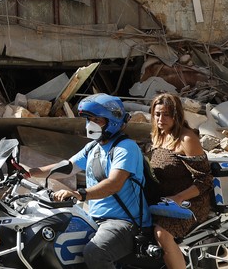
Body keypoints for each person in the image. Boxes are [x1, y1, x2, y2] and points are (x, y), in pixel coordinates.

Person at [27, 93, 151, 268]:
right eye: (88, 119)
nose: (90, 124)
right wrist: (29, 173)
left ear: (112, 122)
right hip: (93, 217)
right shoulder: (93, 147)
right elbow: (68, 167)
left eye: (96, 120)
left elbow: (114, 184)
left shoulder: (126, 148)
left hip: (123, 222)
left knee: (95, 252)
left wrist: (79, 194)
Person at [148, 93, 213, 269]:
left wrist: (179, 198)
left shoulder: (187, 138)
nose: (161, 119)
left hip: (190, 202)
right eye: (157, 114)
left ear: (177, 116)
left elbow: (204, 179)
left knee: (162, 233)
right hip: (163, 201)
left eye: (167, 114)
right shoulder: (157, 136)